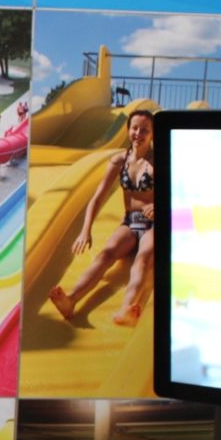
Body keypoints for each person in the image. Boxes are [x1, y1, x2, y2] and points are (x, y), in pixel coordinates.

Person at [47, 108, 156, 327]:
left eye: (145, 129)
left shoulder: (159, 161)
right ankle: (71, 300)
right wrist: (85, 230)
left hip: (154, 223)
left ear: (152, 134)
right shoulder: (119, 161)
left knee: (143, 259)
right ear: (128, 130)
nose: (138, 133)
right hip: (131, 222)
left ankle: (128, 307)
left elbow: (180, 194)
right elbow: (97, 198)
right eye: (135, 128)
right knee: (106, 254)